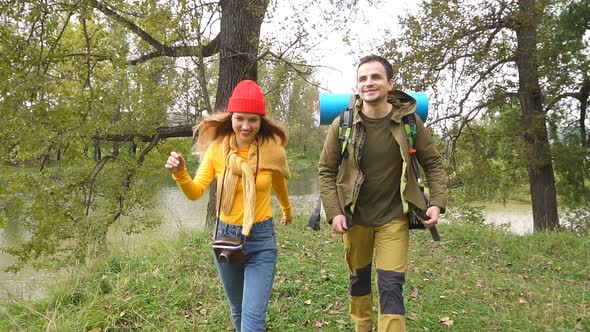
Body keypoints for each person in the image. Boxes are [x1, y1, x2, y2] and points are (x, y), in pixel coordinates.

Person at [318, 55, 448, 332]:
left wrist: (437, 203)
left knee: (391, 286)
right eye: (363, 78)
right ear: (358, 85)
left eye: (375, 77)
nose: (369, 83)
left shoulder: (409, 122)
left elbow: (433, 163)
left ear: (389, 83)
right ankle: (362, 327)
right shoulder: (343, 124)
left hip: (394, 218)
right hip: (355, 217)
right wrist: (334, 213)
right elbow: (325, 171)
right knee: (359, 280)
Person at [165, 80, 292, 332]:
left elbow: (278, 182)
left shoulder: (272, 151)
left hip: (261, 239)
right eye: (240, 118)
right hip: (226, 236)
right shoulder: (216, 151)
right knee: (237, 309)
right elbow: (195, 192)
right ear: (231, 118)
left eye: (253, 119)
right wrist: (181, 173)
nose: (246, 126)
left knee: (252, 321)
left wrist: (287, 210)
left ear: (261, 120)